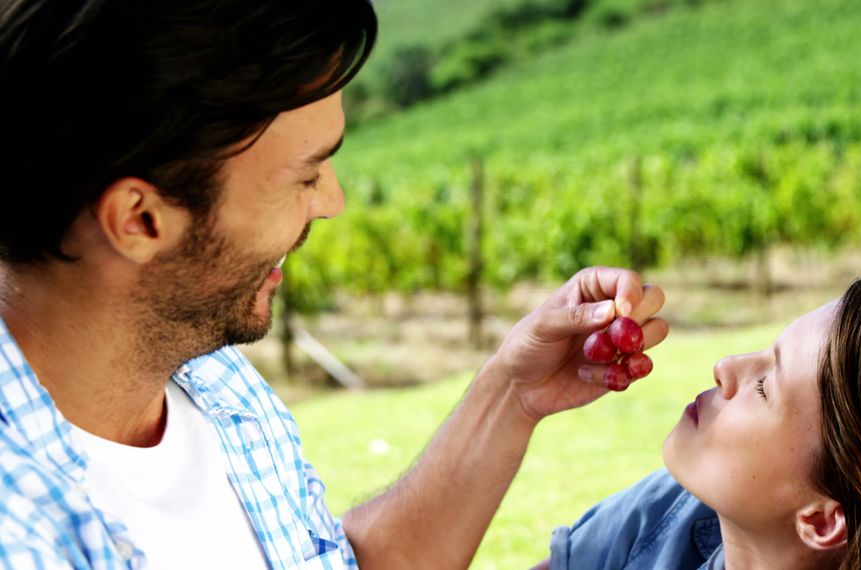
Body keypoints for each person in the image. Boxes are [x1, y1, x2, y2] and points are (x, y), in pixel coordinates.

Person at [0, 1, 669, 568]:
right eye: (307, 175)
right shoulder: (21, 529)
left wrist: (512, 395)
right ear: (141, 220)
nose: (333, 201)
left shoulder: (217, 389)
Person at [538, 276, 861, 570]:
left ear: (822, 520)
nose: (725, 368)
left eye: (766, 386)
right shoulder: (672, 516)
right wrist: (516, 394)